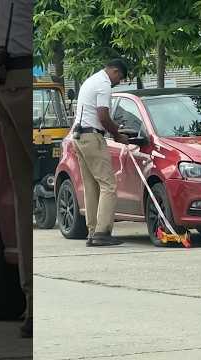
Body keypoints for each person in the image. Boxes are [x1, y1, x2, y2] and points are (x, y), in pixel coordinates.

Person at [0, 0, 33, 338]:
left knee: (27, 196)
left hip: (10, 78)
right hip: (12, 79)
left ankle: (34, 304)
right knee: (33, 195)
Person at [73, 59, 130, 247]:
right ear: (114, 70)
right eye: (119, 77)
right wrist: (117, 134)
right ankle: (102, 232)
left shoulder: (91, 80)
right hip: (92, 137)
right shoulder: (104, 83)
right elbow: (103, 115)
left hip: (79, 136)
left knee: (91, 186)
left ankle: (92, 232)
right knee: (109, 185)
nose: (118, 82)